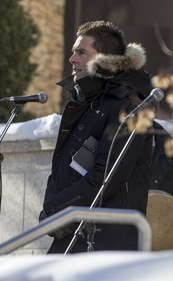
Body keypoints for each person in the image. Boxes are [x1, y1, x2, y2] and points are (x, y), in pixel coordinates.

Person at [39, 20, 154, 253]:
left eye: (81, 52)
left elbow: (107, 177)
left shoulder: (130, 105)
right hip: (74, 228)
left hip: (107, 240)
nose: (72, 60)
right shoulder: (87, 102)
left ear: (105, 59)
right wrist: (53, 208)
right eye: (73, 52)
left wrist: (55, 210)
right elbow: (61, 170)